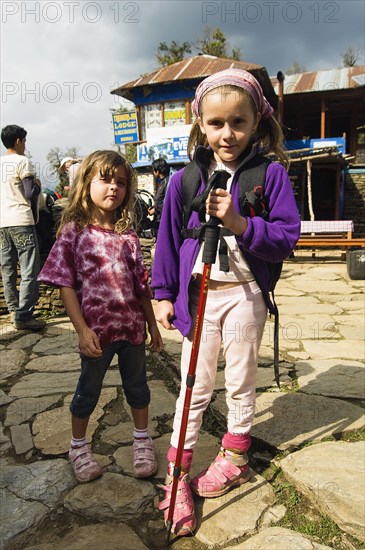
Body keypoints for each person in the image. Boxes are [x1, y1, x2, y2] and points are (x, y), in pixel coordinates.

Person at [151, 69, 300, 535]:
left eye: (238, 121)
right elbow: (168, 238)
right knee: (194, 387)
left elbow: (285, 238)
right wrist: (161, 294)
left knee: (240, 381)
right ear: (201, 124)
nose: (227, 133)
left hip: (245, 296)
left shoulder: (270, 175)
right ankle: (177, 479)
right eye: (216, 123)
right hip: (199, 299)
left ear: (257, 121)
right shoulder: (185, 179)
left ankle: (234, 455)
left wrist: (238, 221)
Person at [38, 150, 163, 483]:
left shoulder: (128, 236)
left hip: (132, 331)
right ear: (86, 183)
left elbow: (141, 288)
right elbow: (64, 283)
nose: (113, 188)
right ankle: (77, 446)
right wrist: (81, 330)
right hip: (96, 334)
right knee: (88, 390)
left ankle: (142, 439)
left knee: (138, 387)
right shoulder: (74, 232)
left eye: (121, 182)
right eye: (105, 179)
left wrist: (153, 327)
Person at [0, 124, 46, 331]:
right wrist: (37, 184)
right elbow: (29, 193)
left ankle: (12, 309)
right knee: (29, 269)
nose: (25, 145)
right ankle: (24, 315)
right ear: (18, 141)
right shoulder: (22, 161)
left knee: (8, 267)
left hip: (2, 223)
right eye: (24, 141)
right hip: (21, 220)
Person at [148, 158, 172, 236]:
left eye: (153, 171)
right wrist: (153, 207)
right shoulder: (163, 182)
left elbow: (167, 203)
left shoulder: (168, 183)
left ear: (157, 171)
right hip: (159, 220)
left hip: (164, 221)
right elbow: (160, 200)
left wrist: (155, 209)